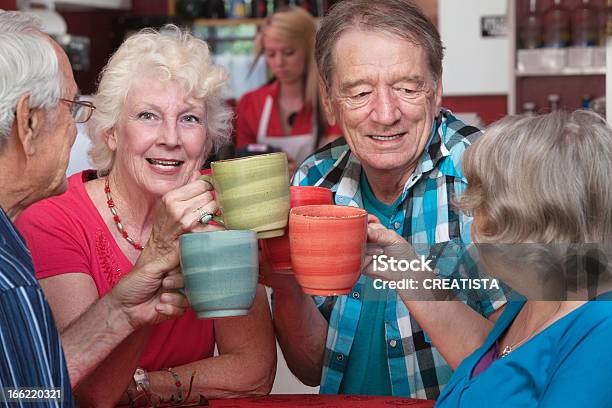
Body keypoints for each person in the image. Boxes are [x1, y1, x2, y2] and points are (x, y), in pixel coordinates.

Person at [16, 26, 276, 406]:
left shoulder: (224, 205)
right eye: (147, 116)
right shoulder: (56, 219)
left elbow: (253, 370)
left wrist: (144, 387)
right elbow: (79, 390)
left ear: (207, 137)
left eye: (189, 119)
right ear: (111, 133)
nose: (171, 137)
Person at [266, 0, 509, 400]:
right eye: (360, 92)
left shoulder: (490, 176)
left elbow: (514, 371)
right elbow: (312, 368)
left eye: (408, 88)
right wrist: (286, 284)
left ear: (437, 89)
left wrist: (407, 272)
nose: (385, 113)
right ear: (329, 99)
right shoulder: (315, 181)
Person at [0, 11, 190, 406]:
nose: (76, 128)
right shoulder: (9, 279)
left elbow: (27, 386)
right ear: (27, 121)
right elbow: (32, 398)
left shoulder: (8, 239)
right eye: (71, 109)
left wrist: (124, 308)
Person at [435, 110, 612, 406]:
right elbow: (488, 380)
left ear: (528, 220)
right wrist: (396, 264)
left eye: (481, 202)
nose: (471, 219)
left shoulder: (601, 330)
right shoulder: (528, 300)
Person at [235, 6, 341, 172]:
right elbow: (241, 164)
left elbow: (338, 161)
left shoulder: (330, 102)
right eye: (271, 54)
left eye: (289, 52)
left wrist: (299, 171)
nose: (279, 62)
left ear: (309, 49)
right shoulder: (251, 104)